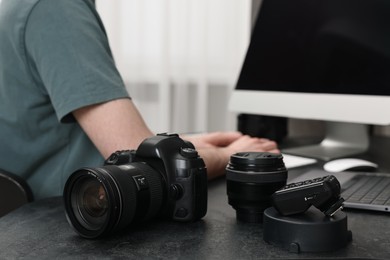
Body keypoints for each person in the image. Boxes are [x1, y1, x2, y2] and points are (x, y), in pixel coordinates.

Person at [0, 0, 279, 200]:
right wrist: (232, 156)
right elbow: (146, 169)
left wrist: (189, 145)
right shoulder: (55, 9)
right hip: (69, 211)